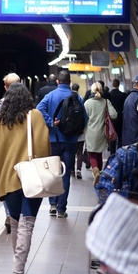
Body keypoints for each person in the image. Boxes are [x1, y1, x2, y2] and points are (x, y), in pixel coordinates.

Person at [0, 83, 50, 274]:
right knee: (28, 224)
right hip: (31, 177)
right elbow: (44, 147)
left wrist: (1, 182)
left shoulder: (0, 122)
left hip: (9, 179)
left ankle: (18, 271)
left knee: (16, 224)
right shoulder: (35, 116)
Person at [37, 70, 87, 217]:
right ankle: (61, 209)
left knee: (53, 173)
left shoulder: (50, 95)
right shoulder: (77, 97)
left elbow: (39, 108)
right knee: (65, 174)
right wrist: (77, 131)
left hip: (53, 140)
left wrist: (50, 122)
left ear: (58, 82)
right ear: (70, 82)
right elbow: (84, 118)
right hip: (70, 141)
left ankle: (52, 204)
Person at [0, 72, 20, 234]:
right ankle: (18, 213)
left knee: (5, 183)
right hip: (21, 150)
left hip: (4, 151)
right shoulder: (27, 106)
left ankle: (9, 214)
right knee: (20, 182)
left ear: (6, 87)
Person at [83, 82, 117, 172]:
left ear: (92, 90)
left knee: (92, 154)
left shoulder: (87, 103)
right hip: (102, 132)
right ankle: (100, 173)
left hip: (90, 132)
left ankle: (95, 170)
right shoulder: (105, 102)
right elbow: (114, 115)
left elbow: (84, 118)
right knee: (99, 154)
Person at [72, 83, 86, 179]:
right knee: (79, 152)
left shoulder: (68, 98)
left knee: (72, 152)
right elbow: (85, 115)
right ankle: (79, 170)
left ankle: (72, 170)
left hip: (71, 131)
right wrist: (83, 128)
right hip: (80, 130)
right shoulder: (80, 99)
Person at [107, 78, 127, 149]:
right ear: (119, 85)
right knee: (120, 136)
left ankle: (112, 151)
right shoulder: (123, 95)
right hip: (121, 117)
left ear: (112, 85)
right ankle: (119, 150)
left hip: (111, 119)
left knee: (112, 135)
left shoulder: (109, 95)